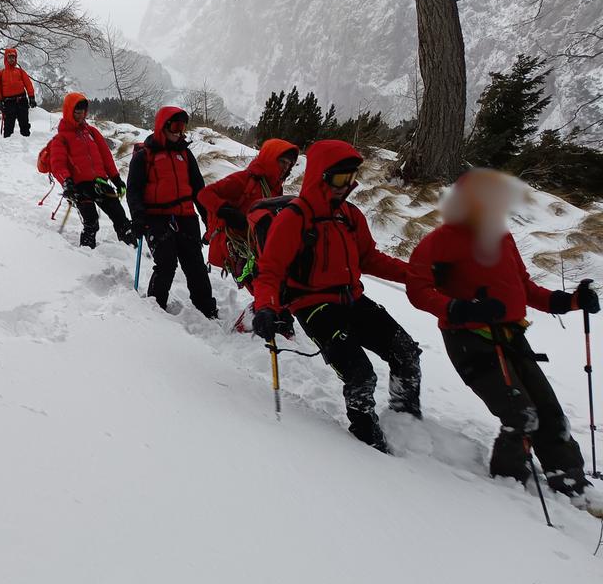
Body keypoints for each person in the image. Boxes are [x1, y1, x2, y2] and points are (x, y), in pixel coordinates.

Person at [406, 169, 602, 513]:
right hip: (470, 341)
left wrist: (571, 301)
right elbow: (418, 290)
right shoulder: (441, 241)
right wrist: (460, 308)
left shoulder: (502, 237)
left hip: (512, 336)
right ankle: (508, 481)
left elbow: (525, 288)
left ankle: (570, 480)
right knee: (521, 415)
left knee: (549, 411)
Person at [251, 139, 421, 453]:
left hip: (353, 300)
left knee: (405, 351)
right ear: (321, 176)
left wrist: (416, 275)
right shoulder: (294, 218)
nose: (348, 186)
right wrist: (265, 307)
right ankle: (368, 443)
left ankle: (407, 420)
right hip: (314, 307)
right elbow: (270, 272)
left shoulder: (349, 215)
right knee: (360, 375)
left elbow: (370, 258)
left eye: (351, 178)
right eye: (341, 178)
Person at [127, 106, 216, 317]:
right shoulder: (144, 156)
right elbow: (134, 190)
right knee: (166, 264)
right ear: (162, 126)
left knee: (195, 265)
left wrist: (208, 219)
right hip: (156, 218)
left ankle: (207, 309)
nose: (179, 132)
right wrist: (138, 217)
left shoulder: (185, 155)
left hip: (186, 216)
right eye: (176, 126)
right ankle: (155, 311)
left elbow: (198, 190)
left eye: (183, 127)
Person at [198, 138, 299, 282]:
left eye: (289, 164)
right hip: (240, 248)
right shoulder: (245, 180)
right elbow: (205, 194)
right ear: (270, 158)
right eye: (282, 161)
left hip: (259, 246)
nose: (285, 167)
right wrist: (227, 212)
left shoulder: (276, 188)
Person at [48, 93, 135, 249]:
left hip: (100, 183)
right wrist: (67, 183)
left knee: (120, 217)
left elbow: (106, 157)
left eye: (83, 111)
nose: (81, 115)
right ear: (69, 111)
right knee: (91, 221)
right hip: (80, 187)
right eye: (77, 111)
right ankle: (87, 257)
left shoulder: (92, 132)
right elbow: (58, 164)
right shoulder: (60, 138)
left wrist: (116, 178)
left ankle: (132, 248)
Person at [0, 47, 36, 138]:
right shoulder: (1, 74)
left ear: (15, 58)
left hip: (22, 101)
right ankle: (7, 145)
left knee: (24, 124)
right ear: (6, 58)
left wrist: (32, 97)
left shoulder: (20, 71)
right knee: (8, 126)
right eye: (9, 57)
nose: (12, 59)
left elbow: (28, 84)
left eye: (13, 57)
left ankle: (27, 143)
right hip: (8, 103)